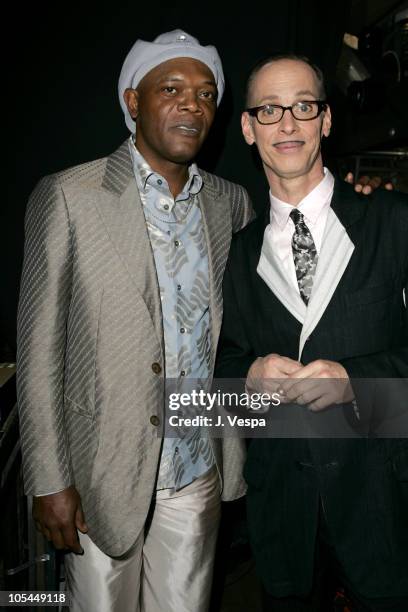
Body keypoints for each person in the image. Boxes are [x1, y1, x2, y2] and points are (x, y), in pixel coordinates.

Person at [17, 30, 381, 612]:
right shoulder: (68, 196)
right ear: (133, 101)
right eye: (172, 89)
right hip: (98, 475)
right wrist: (47, 478)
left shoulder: (230, 204)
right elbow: (37, 352)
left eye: (207, 94)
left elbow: (297, 234)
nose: (192, 104)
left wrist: (360, 202)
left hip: (198, 466)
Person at [216, 54, 408, 611]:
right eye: (269, 111)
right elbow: (225, 372)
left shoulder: (393, 221)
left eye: (303, 106)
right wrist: (248, 379)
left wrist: (356, 380)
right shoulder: (238, 252)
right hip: (283, 518)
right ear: (249, 129)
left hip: (384, 509)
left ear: (325, 120)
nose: (287, 124)